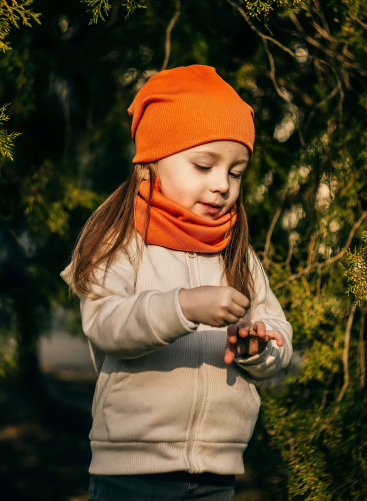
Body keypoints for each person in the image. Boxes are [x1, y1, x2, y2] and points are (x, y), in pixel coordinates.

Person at [61, 65, 293, 501]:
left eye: (236, 172)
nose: (222, 185)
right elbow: (106, 324)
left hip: (216, 470)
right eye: (204, 165)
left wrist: (260, 348)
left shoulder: (235, 251)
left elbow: (278, 331)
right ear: (151, 164)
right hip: (133, 470)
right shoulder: (124, 238)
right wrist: (183, 306)